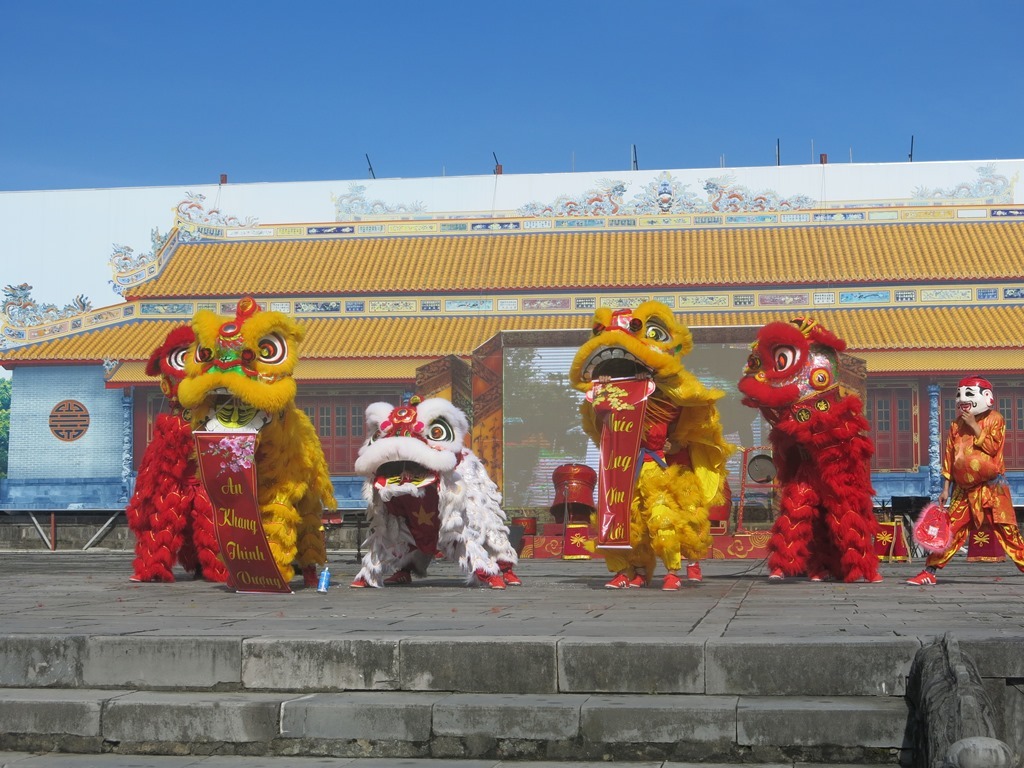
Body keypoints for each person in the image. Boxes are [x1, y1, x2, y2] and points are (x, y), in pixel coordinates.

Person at [907, 376, 1024, 585]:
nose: (962, 399)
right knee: (950, 530)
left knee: (1009, 532)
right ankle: (929, 571)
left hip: (991, 488)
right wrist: (945, 488)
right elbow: (949, 456)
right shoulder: (956, 424)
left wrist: (973, 425)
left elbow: (993, 447)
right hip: (962, 489)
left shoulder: (995, 419)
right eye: (959, 394)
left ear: (986, 397)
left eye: (968, 394)